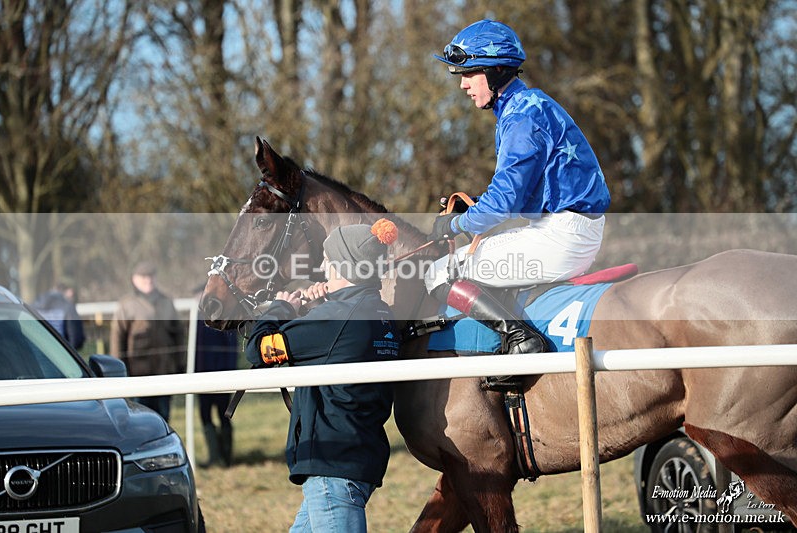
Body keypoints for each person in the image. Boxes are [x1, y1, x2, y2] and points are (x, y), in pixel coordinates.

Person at [425, 19, 611, 364]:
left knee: (435, 273)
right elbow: (518, 196)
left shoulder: (522, 117)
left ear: (496, 71)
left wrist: (453, 225)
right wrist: (474, 211)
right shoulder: (525, 106)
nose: (463, 85)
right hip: (564, 228)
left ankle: (522, 340)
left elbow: (503, 203)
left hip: (562, 235)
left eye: (470, 74)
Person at [244, 218, 400, 533]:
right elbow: (333, 342)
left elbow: (259, 350)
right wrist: (318, 308)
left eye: (327, 260)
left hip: (333, 466)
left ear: (341, 267)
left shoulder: (334, 319)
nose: (323, 267)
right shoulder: (381, 312)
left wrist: (280, 308)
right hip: (354, 459)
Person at [110, 261, 184, 422]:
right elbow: (117, 339)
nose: (148, 280)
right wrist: (118, 372)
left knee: (164, 419)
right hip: (137, 375)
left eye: (151, 276)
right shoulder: (127, 305)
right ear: (134, 279)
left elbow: (178, 334)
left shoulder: (166, 302)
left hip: (164, 373)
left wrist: (180, 365)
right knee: (140, 419)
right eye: (143, 277)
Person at [193, 286, 238, 468]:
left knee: (223, 414)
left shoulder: (224, 317)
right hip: (201, 377)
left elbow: (231, 349)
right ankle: (214, 456)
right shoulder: (196, 320)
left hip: (221, 376)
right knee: (205, 415)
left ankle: (226, 458)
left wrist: (228, 373)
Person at [33, 281, 85, 350]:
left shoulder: (33, 306)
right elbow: (76, 339)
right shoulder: (68, 307)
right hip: (58, 355)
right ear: (70, 292)